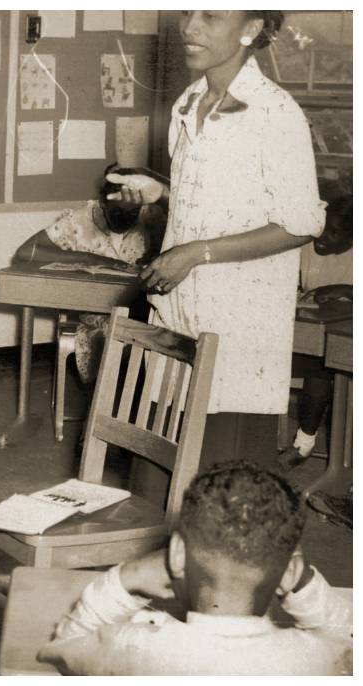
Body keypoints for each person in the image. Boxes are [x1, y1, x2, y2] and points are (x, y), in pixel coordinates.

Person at [108, 11, 325, 494]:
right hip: (181, 315)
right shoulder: (189, 103)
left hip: (239, 324)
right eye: (188, 12)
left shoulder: (275, 113)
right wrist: (159, 194)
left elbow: (304, 222)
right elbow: (213, 201)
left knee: (221, 496)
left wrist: (195, 254)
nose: (189, 27)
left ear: (250, 29)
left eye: (210, 15)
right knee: (159, 482)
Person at [36, 461, 352, 675]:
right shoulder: (314, 659)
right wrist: (305, 586)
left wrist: (126, 579)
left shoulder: (130, 648)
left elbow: (61, 648)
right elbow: (349, 640)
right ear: (289, 571)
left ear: (176, 555)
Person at [14, 163, 165, 384]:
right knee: (117, 335)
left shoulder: (150, 216)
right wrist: (89, 258)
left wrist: (154, 256)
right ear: (103, 203)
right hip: (98, 311)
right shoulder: (79, 220)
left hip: (141, 308)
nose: (125, 219)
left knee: (157, 333)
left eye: (132, 213)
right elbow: (26, 252)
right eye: (117, 212)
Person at [279, 192, 352, 471]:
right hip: (311, 335)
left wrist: (347, 290)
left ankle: (304, 443)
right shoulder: (305, 244)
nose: (322, 237)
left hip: (345, 343)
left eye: (334, 234)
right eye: (323, 228)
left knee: (319, 370)